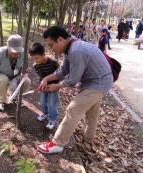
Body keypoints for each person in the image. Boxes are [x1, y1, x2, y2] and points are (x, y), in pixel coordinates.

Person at [36, 26, 113, 154]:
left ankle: (57, 143)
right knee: (92, 113)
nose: (50, 48)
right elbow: (63, 71)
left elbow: (72, 79)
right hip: (100, 81)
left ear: (60, 40)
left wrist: (57, 85)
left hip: (98, 83)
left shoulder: (76, 51)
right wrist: (47, 78)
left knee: (73, 109)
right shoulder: (70, 46)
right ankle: (88, 139)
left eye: (51, 45)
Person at [0, 34, 31, 112]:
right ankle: (1, 101)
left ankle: (15, 97)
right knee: (3, 79)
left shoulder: (23, 53)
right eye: (13, 52)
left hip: (15, 75)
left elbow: (24, 69)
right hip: (1, 75)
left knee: (27, 81)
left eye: (18, 52)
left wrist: (16, 79)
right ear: (8, 47)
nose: (16, 54)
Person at [29, 42, 59, 130]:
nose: (35, 61)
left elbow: (59, 75)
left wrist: (56, 85)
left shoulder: (54, 62)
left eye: (37, 58)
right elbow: (42, 77)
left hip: (54, 86)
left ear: (43, 54)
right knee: (42, 102)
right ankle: (45, 114)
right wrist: (42, 87)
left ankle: (52, 120)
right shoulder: (36, 66)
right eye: (33, 58)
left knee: (52, 104)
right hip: (43, 86)